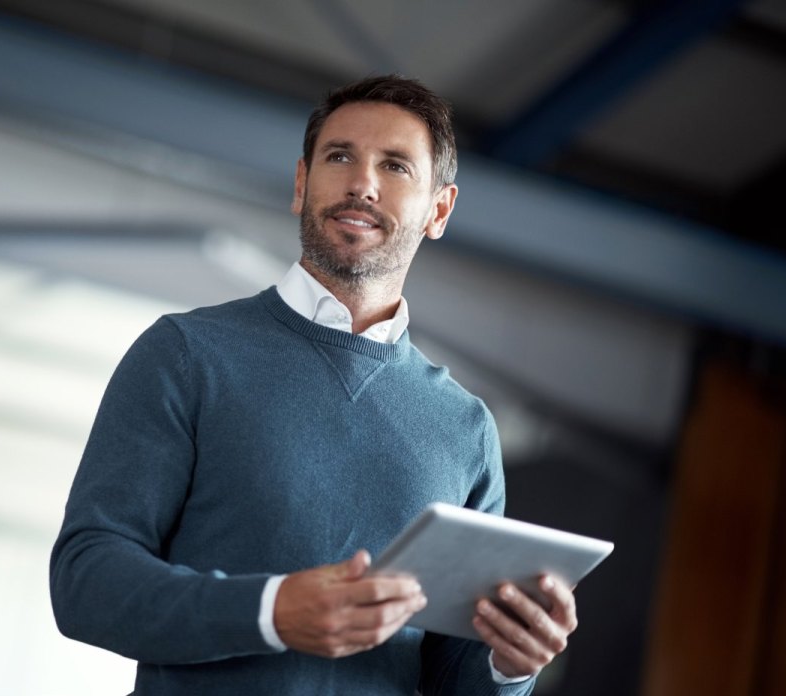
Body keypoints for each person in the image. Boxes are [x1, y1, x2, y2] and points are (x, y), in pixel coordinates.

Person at [50, 75, 578, 695]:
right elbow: (86, 583)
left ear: (439, 210)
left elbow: (452, 680)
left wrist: (510, 666)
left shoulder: (466, 430)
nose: (363, 182)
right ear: (302, 183)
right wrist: (271, 612)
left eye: (396, 166)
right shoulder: (186, 355)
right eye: (339, 156)